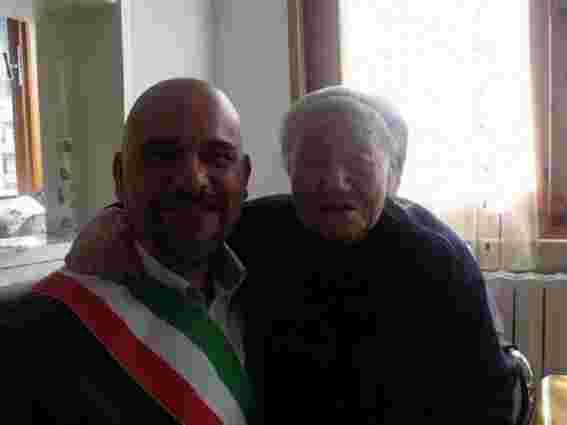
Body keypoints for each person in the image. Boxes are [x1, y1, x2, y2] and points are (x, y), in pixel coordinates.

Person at [64, 87, 519, 423]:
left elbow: (488, 404)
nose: (335, 181)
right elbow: (182, 210)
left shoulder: (437, 258)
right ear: (288, 170)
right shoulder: (259, 230)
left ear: (394, 177)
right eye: (314, 162)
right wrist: (112, 219)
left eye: (359, 162)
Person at [0, 78, 258, 424]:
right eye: (163, 157)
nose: (192, 180)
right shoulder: (33, 334)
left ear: (245, 176)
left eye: (218, 157)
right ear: (120, 177)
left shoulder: (277, 274)